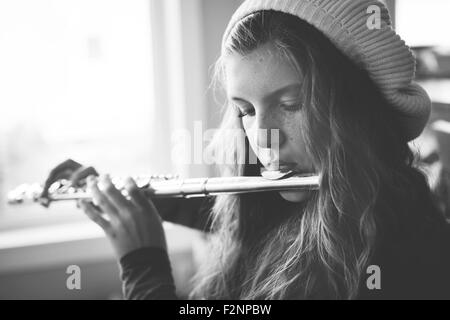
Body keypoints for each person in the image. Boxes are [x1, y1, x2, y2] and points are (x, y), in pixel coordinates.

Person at [41, 0, 450, 299]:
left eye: (290, 105)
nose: (265, 136)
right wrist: (134, 201)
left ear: (356, 111)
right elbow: (249, 222)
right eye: (246, 110)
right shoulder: (301, 195)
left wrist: (142, 264)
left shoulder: (392, 244)